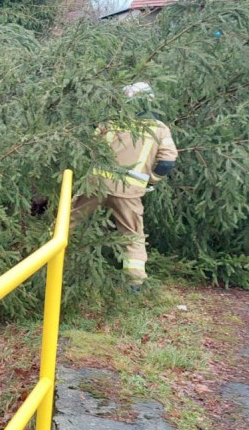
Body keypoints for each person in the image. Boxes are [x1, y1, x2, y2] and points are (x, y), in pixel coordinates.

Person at [72, 82, 178, 290]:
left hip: (96, 185)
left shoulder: (109, 123)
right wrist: (151, 181)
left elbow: (89, 149)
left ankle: (41, 261)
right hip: (129, 191)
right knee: (132, 235)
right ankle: (134, 283)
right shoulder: (160, 129)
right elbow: (167, 162)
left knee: (67, 222)